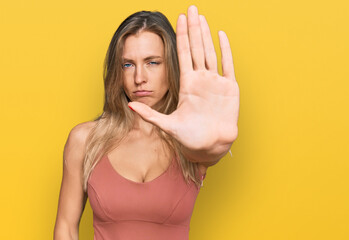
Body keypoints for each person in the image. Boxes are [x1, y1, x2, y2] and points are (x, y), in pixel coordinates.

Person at [53, 5, 239, 240]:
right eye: (128, 64)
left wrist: (217, 140)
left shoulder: (190, 140)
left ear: (172, 66)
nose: (139, 78)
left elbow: (210, 150)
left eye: (153, 62)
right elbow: (66, 228)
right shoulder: (85, 140)